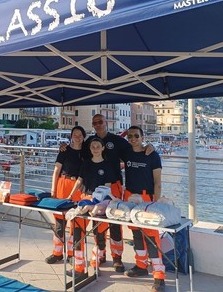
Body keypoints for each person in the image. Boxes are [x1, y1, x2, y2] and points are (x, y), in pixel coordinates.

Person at [60, 114, 154, 273]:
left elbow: (134, 149)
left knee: (114, 222)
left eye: (100, 122)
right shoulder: (90, 142)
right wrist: (64, 147)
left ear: (106, 123)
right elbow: (77, 151)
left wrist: (148, 146)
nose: (98, 125)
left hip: (114, 186)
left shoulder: (117, 141)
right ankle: (100, 254)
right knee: (98, 225)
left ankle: (117, 258)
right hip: (92, 189)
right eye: (95, 122)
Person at [122, 126, 165, 292]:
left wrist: (156, 201)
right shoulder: (126, 152)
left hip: (147, 198)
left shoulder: (152, 155)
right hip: (130, 197)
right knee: (136, 233)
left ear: (142, 137)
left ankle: (159, 276)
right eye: (130, 136)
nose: (133, 139)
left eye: (136, 136)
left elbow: (158, 181)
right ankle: (141, 265)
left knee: (151, 237)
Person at [66, 137, 118, 270]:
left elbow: (107, 187)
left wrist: (100, 203)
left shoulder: (107, 166)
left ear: (103, 148)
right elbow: (79, 181)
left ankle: (97, 260)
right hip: (85, 199)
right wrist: (70, 195)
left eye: (97, 146)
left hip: (100, 203)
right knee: (78, 229)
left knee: (99, 232)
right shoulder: (86, 163)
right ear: (89, 149)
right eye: (92, 146)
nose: (95, 149)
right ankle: (79, 265)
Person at [46, 126, 87, 281]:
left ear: (83, 136)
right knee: (59, 221)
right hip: (63, 184)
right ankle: (57, 253)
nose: (77, 137)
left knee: (76, 222)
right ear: (71, 137)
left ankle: (71, 253)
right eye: (74, 135)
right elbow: (56, 171)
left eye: (79, 135)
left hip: (78, 187)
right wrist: (53, 189)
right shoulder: (64, 151)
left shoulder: (87, 152)